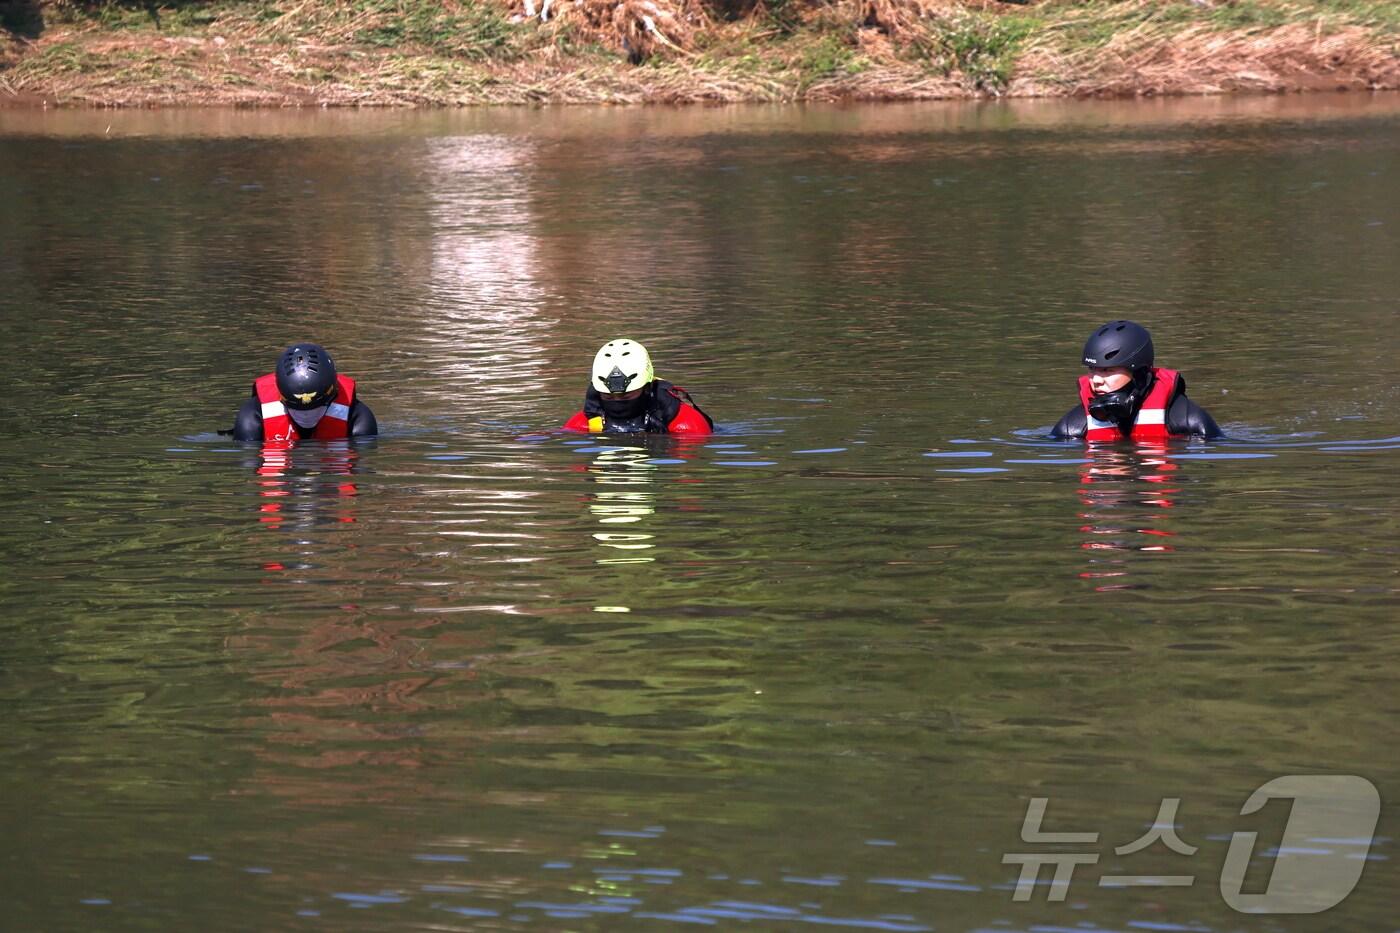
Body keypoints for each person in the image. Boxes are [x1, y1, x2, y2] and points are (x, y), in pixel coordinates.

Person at [1051, 320, 1220, 441]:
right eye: (1092, 370)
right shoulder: (1072, 425)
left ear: (1138, 373)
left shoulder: (1185, 416)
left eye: (1107, 371)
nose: (1095, 380)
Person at [228, 343, 378, 443]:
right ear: (281, 398)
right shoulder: (253, 417)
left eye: (316, 409)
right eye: (296, 410)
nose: (307, 417)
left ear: (332, 396)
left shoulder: (358, 418)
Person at [563, 338, 713, 435]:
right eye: (608, 397)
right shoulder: (583, 424)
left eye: (626, 396)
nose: (617, 402)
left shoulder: (687, 425)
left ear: (646, 388)